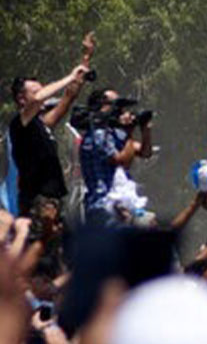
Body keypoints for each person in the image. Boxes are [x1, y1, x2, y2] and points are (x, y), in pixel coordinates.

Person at [8, 31, 94, 212]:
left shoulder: (42, 124)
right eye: (35, 91)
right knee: (38, 240)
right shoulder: (19, 124)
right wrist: (69, 76)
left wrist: (85, 60)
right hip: (37, 200)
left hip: (53, 199)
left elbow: (69, 96)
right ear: (21, 99)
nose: (43, 94)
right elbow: (39, 98)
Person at [77, 88, 154, 225]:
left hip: (120, 204)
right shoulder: (98, 134)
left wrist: (144, 130)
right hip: (104, 205)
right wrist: (129, 132)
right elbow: (123, 161)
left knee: (150, 224)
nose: (120, 110)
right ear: (101, 107)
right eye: (115, 105)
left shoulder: (112, 133)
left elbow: (145, 152)